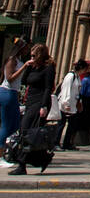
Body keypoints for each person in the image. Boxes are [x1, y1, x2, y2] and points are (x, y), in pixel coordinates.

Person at [8, 43, 55, 176]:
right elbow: (24, 81)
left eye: (34, 55)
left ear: (40, 55)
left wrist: (44, 106)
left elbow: (48, 87)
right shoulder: (33, 68)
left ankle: (21, 165)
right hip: (30, 102)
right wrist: (27, 66)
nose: (32, 57)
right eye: (31, 55)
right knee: (33, 134)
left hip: (40, 102)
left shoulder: (48, 68)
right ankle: (42, 159)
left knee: (26, 131)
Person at [0, 38, 30, 153]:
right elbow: (10, 78)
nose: (27, 51)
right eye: (26, 48)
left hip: (13, 93)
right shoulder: (12, 60)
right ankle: (1, 151)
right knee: (6, 125)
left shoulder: (19, 60)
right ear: (20, 48)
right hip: (7, 92)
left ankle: (4, 148)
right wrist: (24, 67)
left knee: (15, 125)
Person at [58, 59, 89, 151]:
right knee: (61, 124)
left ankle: (67, 143)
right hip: (66, 104)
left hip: (73, 105)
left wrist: (79, 103)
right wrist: (66, 103)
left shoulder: (77, 77)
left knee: (72, 125)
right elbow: (66, 89)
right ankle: (56, 142)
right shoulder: (70, 76)